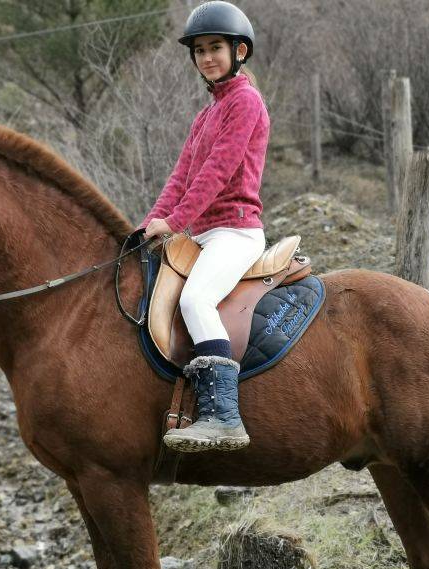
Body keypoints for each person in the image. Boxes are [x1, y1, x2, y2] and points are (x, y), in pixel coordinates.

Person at [137, 1, 269, 453]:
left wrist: (174, 221)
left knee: (195, 299)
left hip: (236, 231)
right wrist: (150, 222)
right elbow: (181, 176)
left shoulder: (246, 102)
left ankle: (223, 417)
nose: (207, 57)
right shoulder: (206, 113)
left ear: (240, 51)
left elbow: (217, 172)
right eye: (199, 50)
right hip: (202, 234)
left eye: (216, 48)